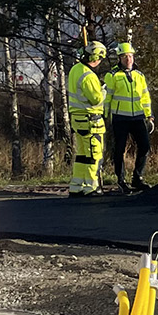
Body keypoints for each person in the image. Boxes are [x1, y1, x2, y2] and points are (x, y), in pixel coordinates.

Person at [103, 42, 153, 193]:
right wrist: (105, 118)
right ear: (119, 58)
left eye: (130, 56)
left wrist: (149, 116)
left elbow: (145, 97)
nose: (128, 59)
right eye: (125, 56)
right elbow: (107, 98)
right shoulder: (112, 75)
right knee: (119, 150)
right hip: (120, 118)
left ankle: (137, 178)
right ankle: (121, 179)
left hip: (138, 117)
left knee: (145, 146)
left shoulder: (139, 76)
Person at [66, 36, 107, 197]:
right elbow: (95, 98)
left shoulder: (75, 69)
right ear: (95, 57)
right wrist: (104, 90)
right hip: (91, 120)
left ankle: (77, 185)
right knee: (93, 154)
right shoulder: (88, 76)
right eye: (100, 59)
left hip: (77, 119)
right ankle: (91, 186)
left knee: (82, 154)